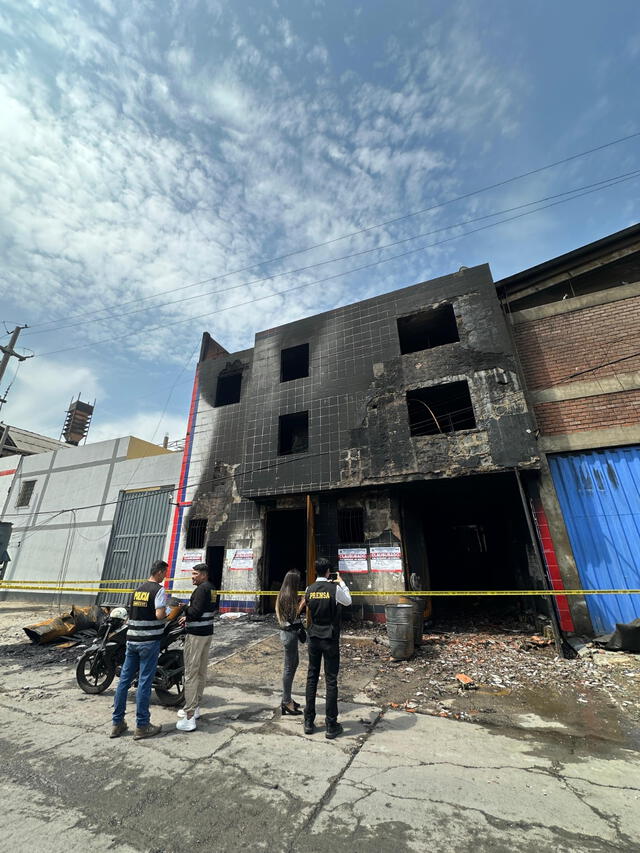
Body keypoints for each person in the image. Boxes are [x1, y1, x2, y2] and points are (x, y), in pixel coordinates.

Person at [110, 559, 168, 740]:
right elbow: (159, 615)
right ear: (159, 572)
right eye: (164, 573)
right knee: (144, 682)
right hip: (149, 642)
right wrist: (168, 613)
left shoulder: (137, 590)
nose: (165, 576)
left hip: (132, 641)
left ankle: (117, 723)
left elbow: (131, 614)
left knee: (124, 682)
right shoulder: (159, 590)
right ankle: (142, 725)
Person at [303, 556, 352, 739]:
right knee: (331, 680)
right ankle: (331, 724)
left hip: (314, 637)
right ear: (328, 571)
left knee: (311, 678)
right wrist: (341, 582)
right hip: (330, 638)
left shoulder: (309, 589)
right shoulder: (335, 589)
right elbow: (348, 601)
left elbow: (309, 606)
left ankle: (309, 721)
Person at [176, 562, 216, 732]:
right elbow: (205, 611)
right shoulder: (212, 588)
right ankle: (196, 707)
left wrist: (183, 608)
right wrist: (190, 616)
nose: (192, 577)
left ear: (203, 575)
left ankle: (189, 716)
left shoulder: (201, 589)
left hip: (196, 636)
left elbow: (195, 612)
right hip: (207, 633)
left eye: (194, 574)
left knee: (191, 673)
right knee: (200, 672)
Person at [275, 570, 305, 716]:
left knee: (294, 663)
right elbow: (293, 616)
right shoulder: (287, 595)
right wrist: (303, 602)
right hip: (289, 634)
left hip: (290, 634)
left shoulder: (286, 594)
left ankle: (288, 698)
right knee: (289, 667)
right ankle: (286, 702)